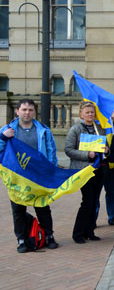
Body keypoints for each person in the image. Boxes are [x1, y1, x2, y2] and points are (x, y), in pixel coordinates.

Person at [0, 99, 59, 252]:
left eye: (30, 110)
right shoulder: (7, 130)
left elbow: (51, 150)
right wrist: (3, 138)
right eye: (24, 109)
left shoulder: (43, 130)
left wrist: (50, 169)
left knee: (43, 206)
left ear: (34, 112)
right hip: (17, 176)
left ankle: (48, 236)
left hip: (38, 174)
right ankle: (21, 240)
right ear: (17, 111)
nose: (27, 113)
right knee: (18, 209)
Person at [65, 101, 110, 244]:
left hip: (99, 169)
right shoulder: (76, 129)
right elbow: (69, 150)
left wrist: (107, 150)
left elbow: (106, 146)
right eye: (87, 112)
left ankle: (89, 231)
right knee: (87, 201)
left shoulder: (99, 129)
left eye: (92, 112)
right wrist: (86, 155)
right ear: (81, 114)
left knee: (94, 201)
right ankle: (78, 233)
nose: (90, 115)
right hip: (84, 170)